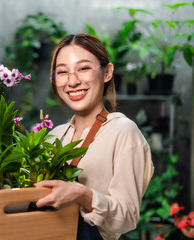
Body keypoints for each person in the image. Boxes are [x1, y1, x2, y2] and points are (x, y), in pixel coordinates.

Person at [34, 33, 154, 240]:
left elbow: (127, 218)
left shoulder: (123, 131)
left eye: (83, 68)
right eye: (62, 72)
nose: (72, 81)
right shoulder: (53, 136)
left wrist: (82, 195)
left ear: (107, 72)